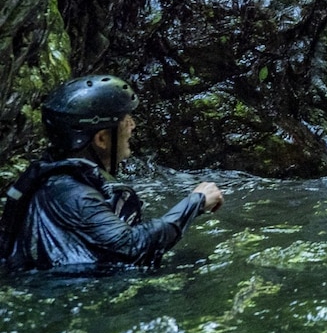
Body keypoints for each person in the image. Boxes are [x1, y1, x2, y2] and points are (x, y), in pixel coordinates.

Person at [0, 74, 224, 271]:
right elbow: (131, 247)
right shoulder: (71, 193)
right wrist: (195, 202)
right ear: (101, 139)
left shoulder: (59, 181)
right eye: (126, 120)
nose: (133, 126)